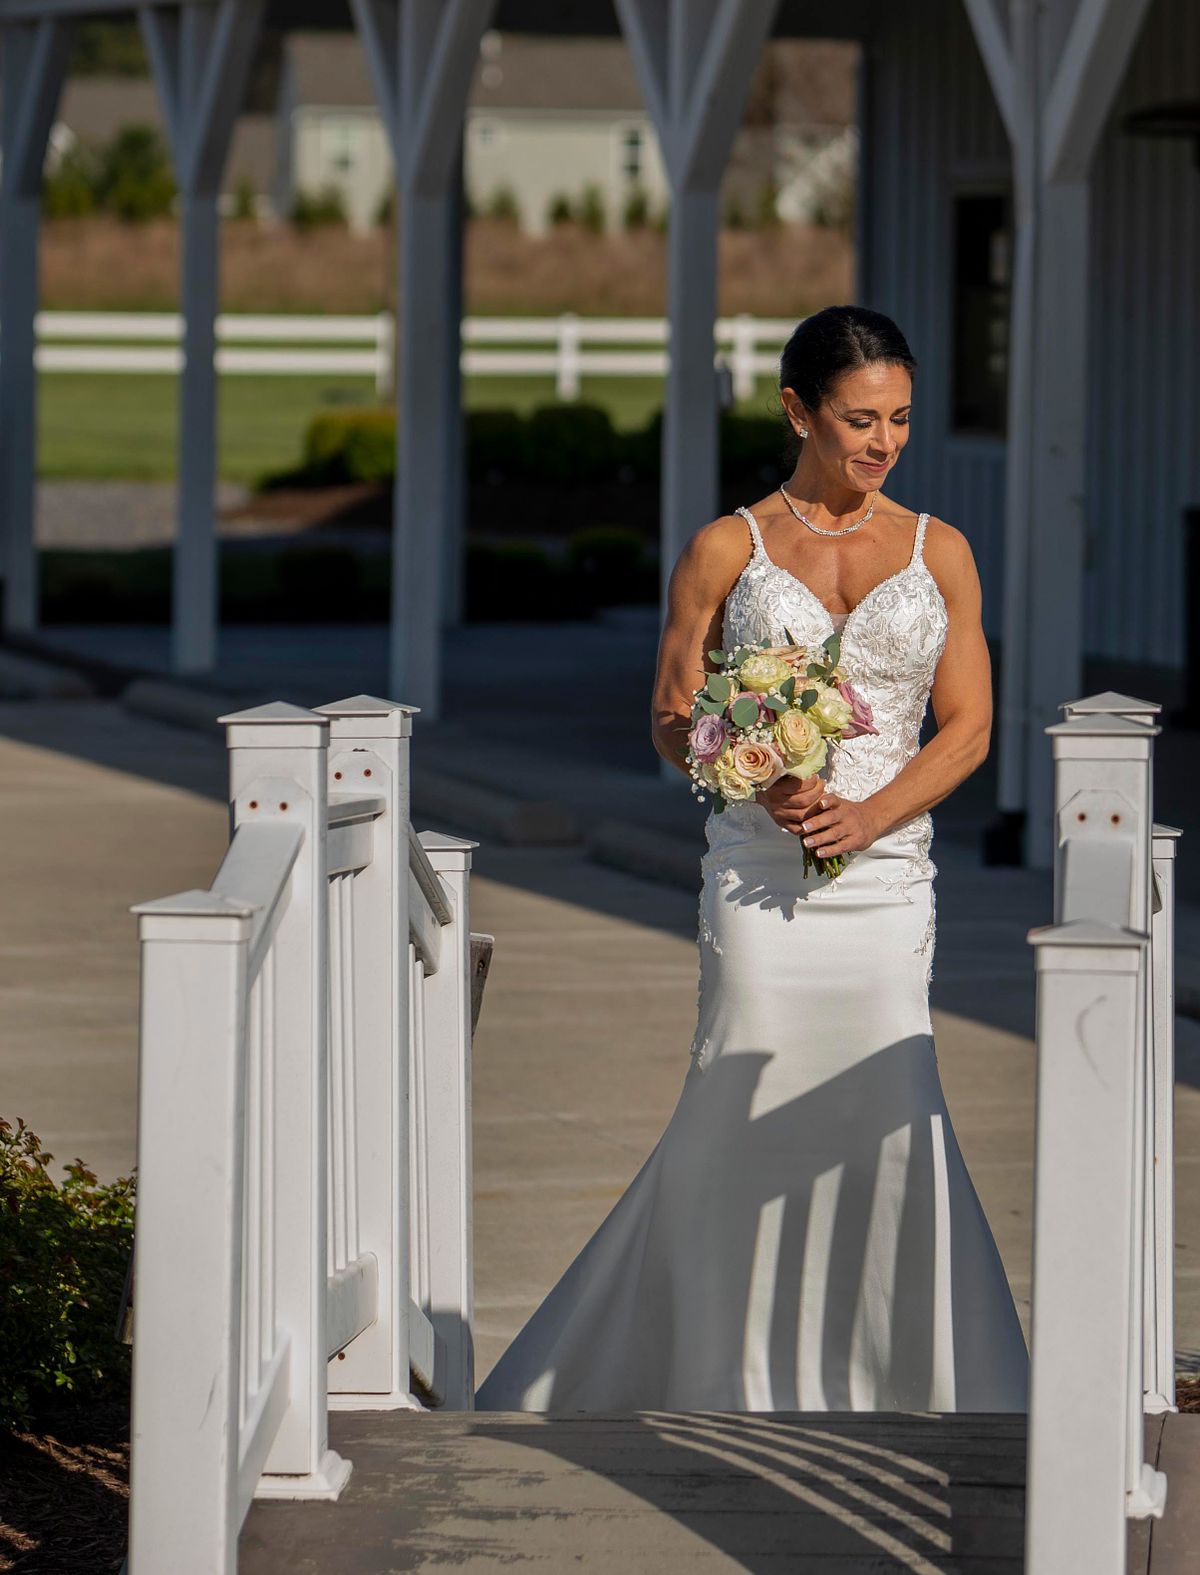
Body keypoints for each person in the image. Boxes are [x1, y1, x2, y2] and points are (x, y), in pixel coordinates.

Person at [475, 305, 1029, 1413]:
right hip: (758, 876)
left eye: (902, 421)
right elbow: (675, 714)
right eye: (859, 420)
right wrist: (757, 774)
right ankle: (715, 1374)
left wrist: (872, 819)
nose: (883, 444)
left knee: (892, 1095)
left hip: (883, 882)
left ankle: (900, 1379)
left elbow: (966, 728)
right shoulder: (726, 548)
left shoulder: (943, 553)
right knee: (738, 1094)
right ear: (797, 411)